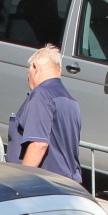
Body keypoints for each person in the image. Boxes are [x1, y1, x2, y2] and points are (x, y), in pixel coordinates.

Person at [7, 44, 82, 182]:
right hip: (65, 184)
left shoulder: (41, 95)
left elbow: (38, 144)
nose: (28, 77)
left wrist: (20, 182)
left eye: (28, 72)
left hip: (44, 186)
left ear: (35, 67)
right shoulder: (72, 101)